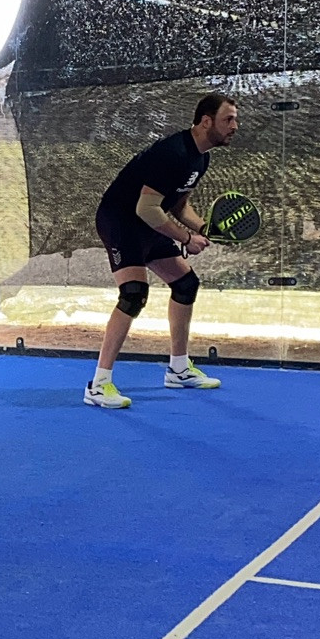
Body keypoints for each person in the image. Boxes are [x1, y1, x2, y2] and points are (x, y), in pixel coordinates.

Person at [84, 92, 240, 409]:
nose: (234, 126)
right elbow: (146, 208)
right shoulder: (173, 153)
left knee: (186, 284)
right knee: (133, 294)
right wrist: (185, 238)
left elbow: (178, 206)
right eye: (228, 119)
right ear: (206, 121)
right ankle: (98, 386)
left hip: (146, 222)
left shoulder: (201, 158)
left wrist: (203, 229)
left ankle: (179, 370)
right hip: (121, 220)